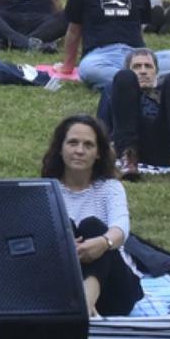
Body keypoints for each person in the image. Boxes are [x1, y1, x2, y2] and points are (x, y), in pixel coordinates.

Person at [40, 114, 142, 318]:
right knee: (65, 227)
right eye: (72, 143)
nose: (79, 151)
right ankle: (83, 305)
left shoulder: (110, 188)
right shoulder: (46, 190)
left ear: (98, 153)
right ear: (60, 149)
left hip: (114, 292)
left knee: (93, 226)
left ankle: (87, 301)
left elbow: (121, 228)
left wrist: (102, 243)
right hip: (64, 290)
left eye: (88, 145)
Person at [102, 47, 170, 183]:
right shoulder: (115, 89)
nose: (143, 71)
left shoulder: (169, 90)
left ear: (156, 72)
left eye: (148, 66)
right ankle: (128, 160)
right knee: (123, 77)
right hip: (130, 142)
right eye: (137, 67)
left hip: (166, 145)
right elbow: (102, 126)